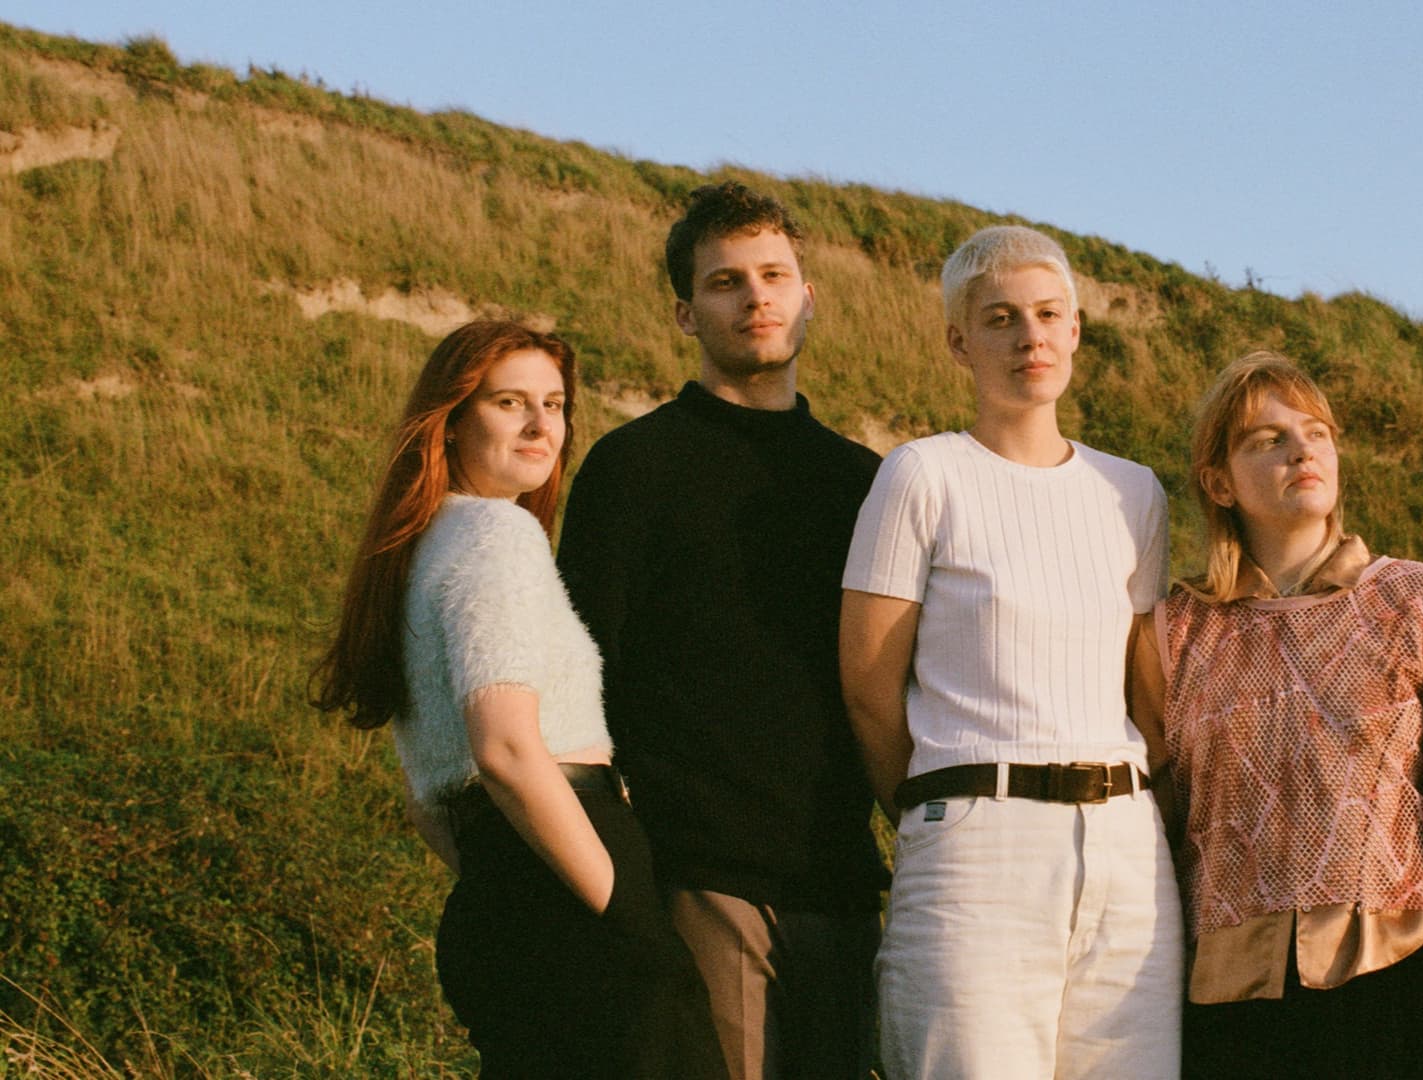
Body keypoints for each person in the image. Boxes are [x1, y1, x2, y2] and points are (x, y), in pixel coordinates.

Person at [311, 320, 726, 1078]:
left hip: (498, 892)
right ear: (451, 420)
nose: (542, 426)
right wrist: (627, 916)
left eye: (554, 404)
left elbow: (424, 802)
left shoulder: (416, 552)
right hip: (573, 881)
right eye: (510, 403)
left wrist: (506, 879)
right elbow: (504, 750)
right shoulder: (495, 537)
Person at [1130, 351, 1423, 1078]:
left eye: (1316, 433)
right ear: (1219, 482)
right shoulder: (1173, 632)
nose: (1302, 451)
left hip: (1397, 977)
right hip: (1227, 997)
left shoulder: (1415, 600)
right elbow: (1148, 815)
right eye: (1268, 439)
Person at [556, 182, 886, 1080]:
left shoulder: (867, 483)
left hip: (844, 883)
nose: (755, 298)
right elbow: (576, 685)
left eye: (774, 275)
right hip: (701, 882)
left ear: (808, 296)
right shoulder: (633, 468)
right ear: (685, 313)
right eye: (725, 282)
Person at [840, 224, 1183, 1079]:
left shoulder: (1133, 492)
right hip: (975, 850)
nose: (1030, 336)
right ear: (960, 342)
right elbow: (869, 688)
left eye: (1048, 314)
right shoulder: (922, 475)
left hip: (1126, 852)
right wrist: (941, 810)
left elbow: (1143, 688)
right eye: (1000, 319)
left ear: (1075, 329)